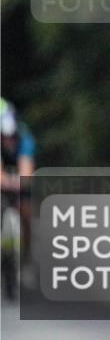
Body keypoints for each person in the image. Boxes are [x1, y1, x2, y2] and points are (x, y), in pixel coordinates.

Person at [1, 97, 35, 274]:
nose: (7, 142)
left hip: (17, 179)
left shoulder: (24, 137)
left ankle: (27, 258)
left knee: (27, 212)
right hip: (4, 178)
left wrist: (19, 182)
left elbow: (26, 169)